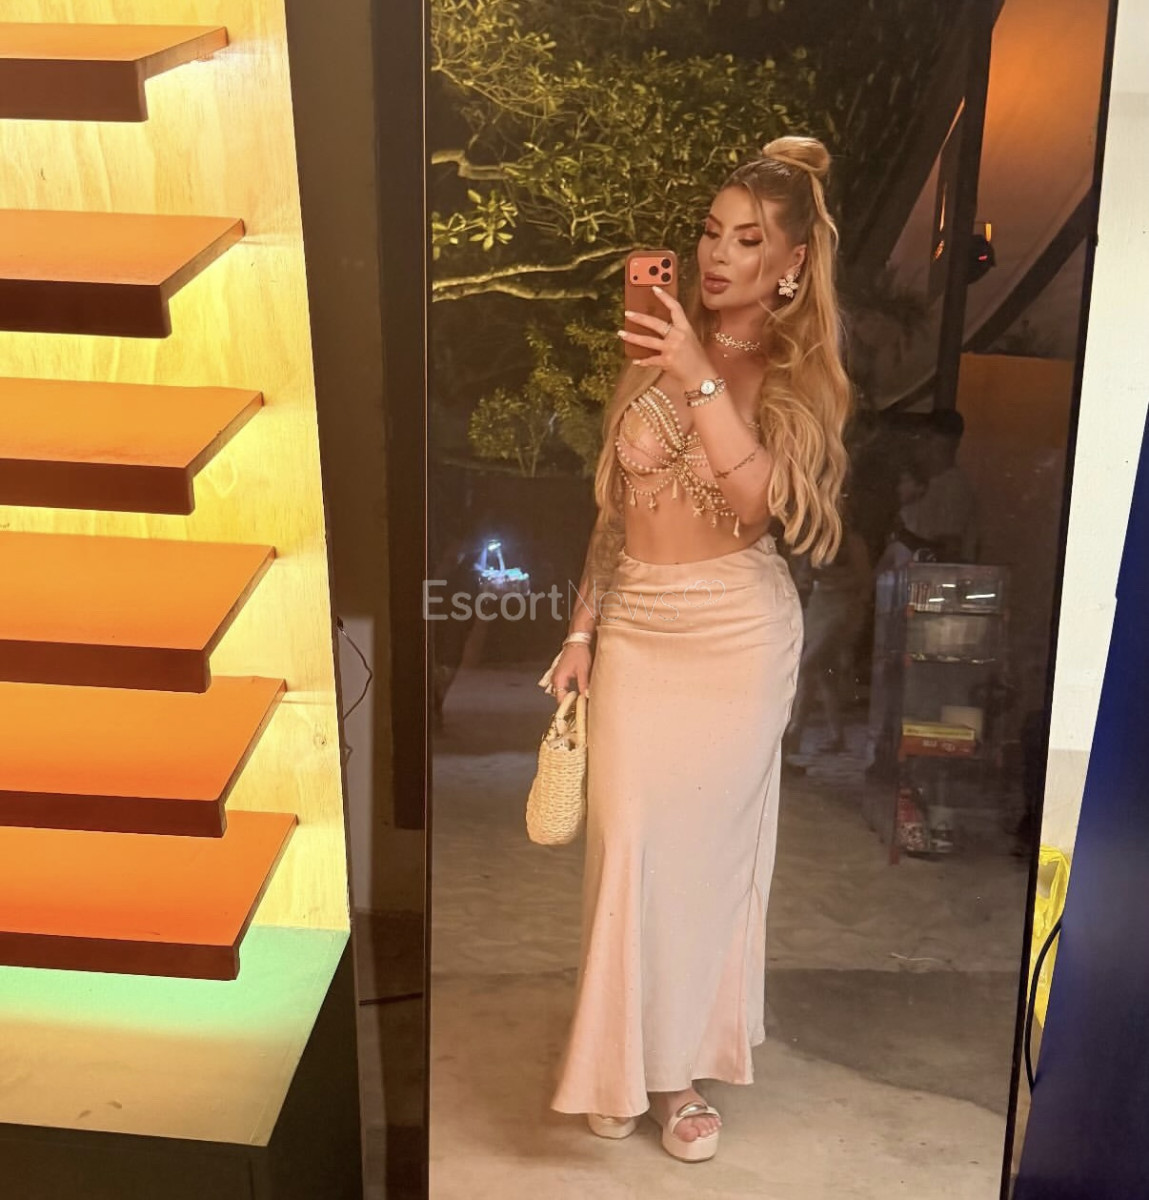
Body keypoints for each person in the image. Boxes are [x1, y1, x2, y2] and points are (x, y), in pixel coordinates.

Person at [536, 136, 851, 1162]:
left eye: (747, 240)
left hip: (734, 637)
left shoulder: (798, 374)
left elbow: (758, 506)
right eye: (712, 233)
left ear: (791, 263)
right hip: (639, 626)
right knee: (628, 847)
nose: (718, 255)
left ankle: (674, 1077)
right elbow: (614, 511)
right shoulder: (649, 351)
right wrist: (580, 631)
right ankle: (617, 1060)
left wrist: (698, 375)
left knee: (701, 865)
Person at [894, 409, 979, 562]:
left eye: (923, 437)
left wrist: (900, 534)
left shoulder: (954, 488)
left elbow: (949, 553)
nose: (917, 445)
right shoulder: (920, 485)